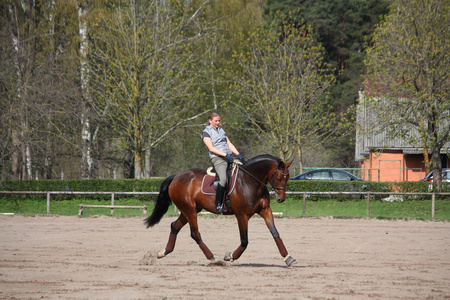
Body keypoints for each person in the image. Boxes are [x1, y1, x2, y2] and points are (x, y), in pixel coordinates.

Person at [201, 110, 245, 214]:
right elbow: (211, 148)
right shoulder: (206, 132)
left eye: (219, 121)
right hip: (218, 158)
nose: (218, 123)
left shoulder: (221, 130)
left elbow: (229, 144)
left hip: (228, 157)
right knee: (223, 179)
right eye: (216, 121)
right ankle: (218, 205)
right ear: (210, 120)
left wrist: (238, 155)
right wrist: (225, 155)